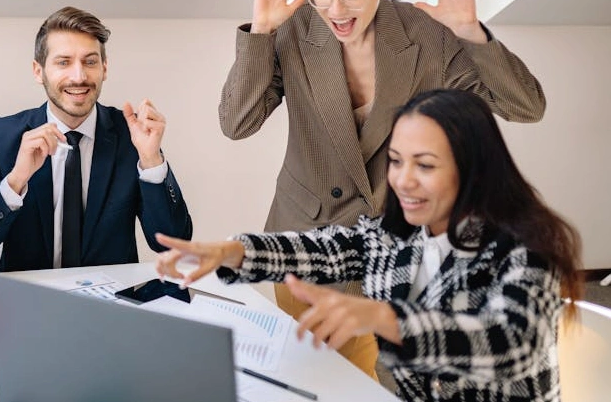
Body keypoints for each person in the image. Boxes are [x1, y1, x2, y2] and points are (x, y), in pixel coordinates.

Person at [219, 0, 546, 375]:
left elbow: (526, 106)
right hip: (307, 242)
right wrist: (260, 34)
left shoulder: (425, 35)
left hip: (398, 250)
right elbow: (237, 123)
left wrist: (471, 31)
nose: (336, 10)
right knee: (314, 378)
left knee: (395, 381)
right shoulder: (293, 30)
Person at [158, 89, 581, 402]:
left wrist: (384, 316)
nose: (402, 180)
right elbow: (322, 249)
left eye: (425, 165)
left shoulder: (526, 247)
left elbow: (512, 342)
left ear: (473, 169)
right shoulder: (397, 236)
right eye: (396, 161)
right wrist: (235, 252)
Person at [0, 6, 192, 272]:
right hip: (28, 304)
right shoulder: (1, 138)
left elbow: (173, 246)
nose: (79, 76)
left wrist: (151, 161)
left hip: (109, 305)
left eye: (90, 62)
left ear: (104, 68)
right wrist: (16, 180)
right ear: (38, 71)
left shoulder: (132, 136)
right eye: (63, 62)